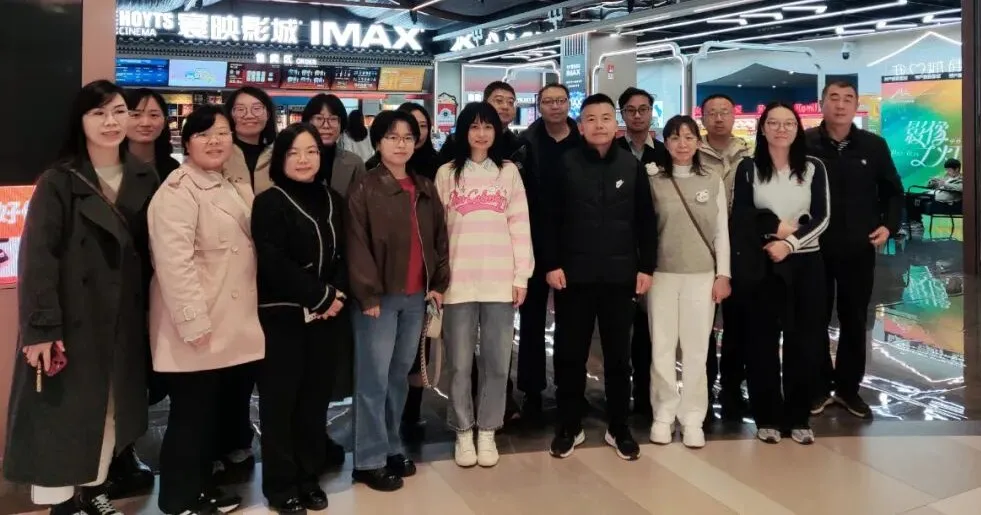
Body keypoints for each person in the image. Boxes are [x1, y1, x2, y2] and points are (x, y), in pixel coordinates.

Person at [3, 80, 157, 515]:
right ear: (81, 121)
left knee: (109, 410)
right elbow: (38, 258)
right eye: (99, 113)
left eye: (119, 111)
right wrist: (41, 328)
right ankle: (62, 503)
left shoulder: (144, 176)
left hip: (123, 319)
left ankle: (94, 490)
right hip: (72, 319)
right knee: (61, 414)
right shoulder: (60, 181)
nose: (111, 122)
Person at [148, 105, 265, 515]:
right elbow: (173, 264)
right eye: (203, 134)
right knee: (190, 415)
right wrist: (192, 322)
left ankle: (197, 487)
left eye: (222, 133)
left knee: (205, 413)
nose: (215, 141)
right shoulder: (177, 191)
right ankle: (178, 498)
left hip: (225, 322)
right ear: (187, 142)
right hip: (198, 323)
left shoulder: (227, 184)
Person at [541, 94, 656, 460]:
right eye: (591, 118)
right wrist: (551, 264)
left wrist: (646, 267)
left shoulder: (630, 165)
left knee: (619, 357)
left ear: (615, 123)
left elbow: (645, 221)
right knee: (569, 355)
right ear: (581, 125)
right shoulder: (565, 164)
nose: (599, 125)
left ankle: (619, 426)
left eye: (606, 118)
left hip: (620, 278)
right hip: (573, 277)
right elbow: (549, 220)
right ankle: (569, 425)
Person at [346, 110, 449, 491]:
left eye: (407, 137)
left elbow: (439, 240)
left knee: (398, 378)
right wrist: (367, 292)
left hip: (415, 297)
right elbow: (356, 243)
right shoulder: (365, 187)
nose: (401, 144)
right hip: (379, 300)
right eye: (392, 137)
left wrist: (438, 283)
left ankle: (391, 446)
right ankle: (367, 459)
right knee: (372, 380)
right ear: (378, 142)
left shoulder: (424, 187)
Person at [252, 123, 347, 514]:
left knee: (314, 400)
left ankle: (309, 476)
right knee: (280, 403)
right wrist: (319, 295)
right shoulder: (269, 202)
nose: (304, 159)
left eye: (311, 151)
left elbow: (345, 253)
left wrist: (336, 295)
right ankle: (281, 486)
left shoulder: (332, 198)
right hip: (283, 319)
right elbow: (273, 261)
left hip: (327, 318)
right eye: (294, 153)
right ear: (280, 159)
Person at [433, 102, 534, 468]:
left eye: (487, 126)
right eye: (474, 126)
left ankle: (488, 429)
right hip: (457, 284)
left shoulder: (508, 173)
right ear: (463, 131)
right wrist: (437, 280)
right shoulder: (447, 173)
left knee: (497, 363)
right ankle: (463, 430)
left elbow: (520, 225)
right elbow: (436, 232)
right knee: (459, 365)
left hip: (499, 283)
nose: (481, 133)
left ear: (496, 131)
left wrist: (521, 276)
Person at [733, 102, 830, 445]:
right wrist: (773, 228)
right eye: (773, 123)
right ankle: (767, 417)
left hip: (805, 264)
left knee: (803, 341)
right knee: (761, 341)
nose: (781, 129)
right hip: (763, 263)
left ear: (798, 129)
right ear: (762, 128)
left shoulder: (813, 167)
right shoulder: (748, 167)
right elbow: (742, 213)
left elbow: (823, 217)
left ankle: (798, 416)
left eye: (789, 123)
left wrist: (789, 244)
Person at [805, 81, 903, 420]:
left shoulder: (873, 145)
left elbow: (893, 192)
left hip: (858, 247)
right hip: (813, 247)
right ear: (822, 104)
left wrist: (889, 226)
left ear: (855, 105)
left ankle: (848, 389)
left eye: (848, 99)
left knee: (855, 318)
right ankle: (819, 387)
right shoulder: (805, 142)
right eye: (834, 98)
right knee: (814, 318)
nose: (841, 105)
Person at [647, 115, 731, 449]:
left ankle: (693, 416)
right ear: (665, 142)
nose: (682, 144)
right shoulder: (653, 180)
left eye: (689, 137)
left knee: (697, 349)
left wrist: (723, 274)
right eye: (675, 138)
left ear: (698, 141)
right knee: (662, 347)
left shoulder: (713, 179)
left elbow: (721, 231)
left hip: (702, 275)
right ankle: (663, 414)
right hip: (661, 275)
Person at [212, 86, 276, 483]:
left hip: (271, 273)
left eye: (257, 108)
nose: (249, 115)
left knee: (261, 361)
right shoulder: (219, 151)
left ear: (268, 113)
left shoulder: (279, 152)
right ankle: (223, 442)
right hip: (227, 271)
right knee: (227, 364)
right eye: (241, 109)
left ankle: (248, 439)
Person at [513, 83, 583, 423]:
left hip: (574, 245)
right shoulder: (525, 144)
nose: (555, 106)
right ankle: (532, 391)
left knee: (573, 322)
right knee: (532, 322)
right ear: (538, 106)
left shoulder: (583, 142)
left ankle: (570, 389)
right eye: (548, 101)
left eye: (561, 100)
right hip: (533, 242)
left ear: (569, 104)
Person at [699, 93, 753, 420]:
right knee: (702, 324)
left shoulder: (749, 154)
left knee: (738, 325)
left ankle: (732, 390)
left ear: (734, 116)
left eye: (725, 112)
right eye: (712, 113)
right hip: (703, 247)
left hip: (742, 249)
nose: (719, 118)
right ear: (703, 118)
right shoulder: (692, 152)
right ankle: (702, 392)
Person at [615, 86, 667, 422]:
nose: (637, 115)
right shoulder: (612, 152)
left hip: (656, 253)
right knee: (620, 331)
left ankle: (647, 396)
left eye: (643, 109)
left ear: (651, 112)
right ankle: (621, 394)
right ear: (622, 114)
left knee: (651, 330)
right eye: (631, 110)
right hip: (618, 253)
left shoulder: (665, 154)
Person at [437, 81, 523, 166]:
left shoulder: (518, 146)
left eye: (510, 102)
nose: (505, 106)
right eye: (499, 100)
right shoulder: (457, 141)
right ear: (484, 104)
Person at [301, 94, 367, 197]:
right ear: (307, 122)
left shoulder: (355, 164)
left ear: (341, 124)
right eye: (319, 118)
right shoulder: (293, 160)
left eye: (333, 119)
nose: (326, 125)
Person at [126, 88, 181, 183]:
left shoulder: (173, 169)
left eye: (153, 115)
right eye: (136, 115)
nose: (145, 123)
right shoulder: (108, 167)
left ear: (165, 122)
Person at [904, 157, 962, 233]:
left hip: (943, 198)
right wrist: (933, 182)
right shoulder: (947, 177)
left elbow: (961, 188)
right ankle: (914, 222)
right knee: (908, 196)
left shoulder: (962, 179)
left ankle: (916, 224)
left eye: (949, 170)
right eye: (946, 170)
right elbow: (936, 186)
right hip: (933, 194)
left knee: (913, 197)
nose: (947, 172)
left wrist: (945, 184)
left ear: (957, 169)